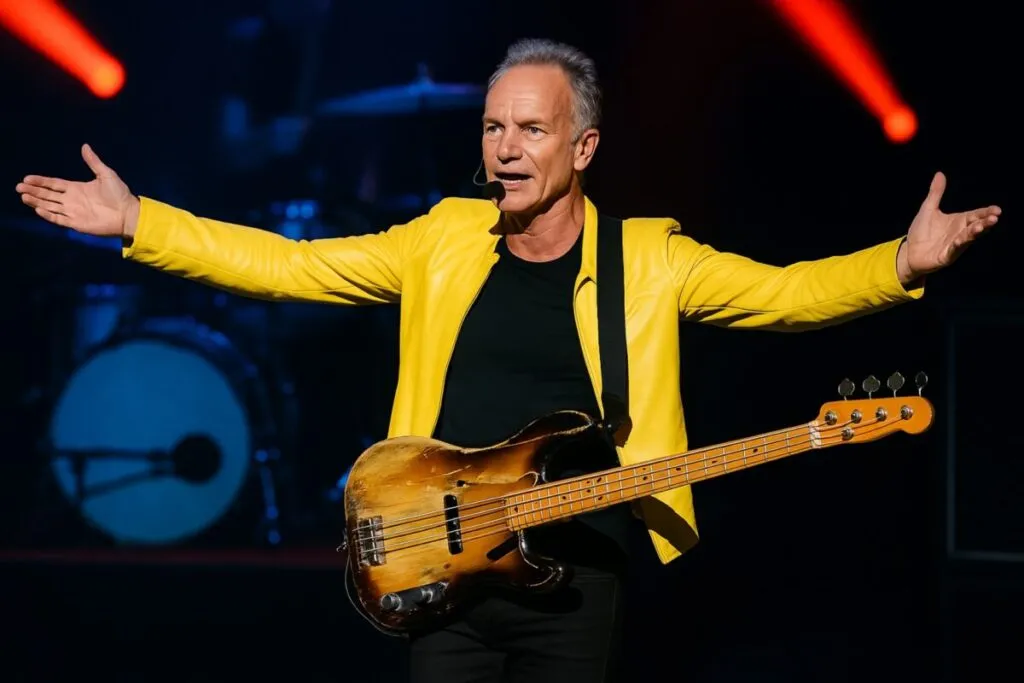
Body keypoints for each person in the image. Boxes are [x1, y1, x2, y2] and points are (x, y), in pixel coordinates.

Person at [16, 37, 1000, 683]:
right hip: (440, 559)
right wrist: (141, 222)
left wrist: (899, 263)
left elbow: (784, 295)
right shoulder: (444, 237)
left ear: (583, 146)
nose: (506, 146)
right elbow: (289, 264)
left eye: (531, 127)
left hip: (577, 571)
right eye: (494, 125)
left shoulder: (648, 257)